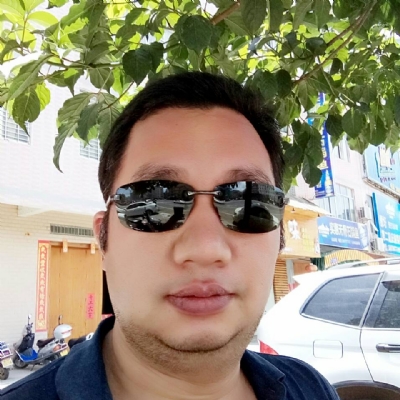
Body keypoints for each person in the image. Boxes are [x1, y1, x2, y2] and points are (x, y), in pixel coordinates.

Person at [2, 72, 340, 400]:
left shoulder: (311, 389)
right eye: (154, 202)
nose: (205, 248)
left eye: (248, 202)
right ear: (103, 240)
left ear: (279, 238)